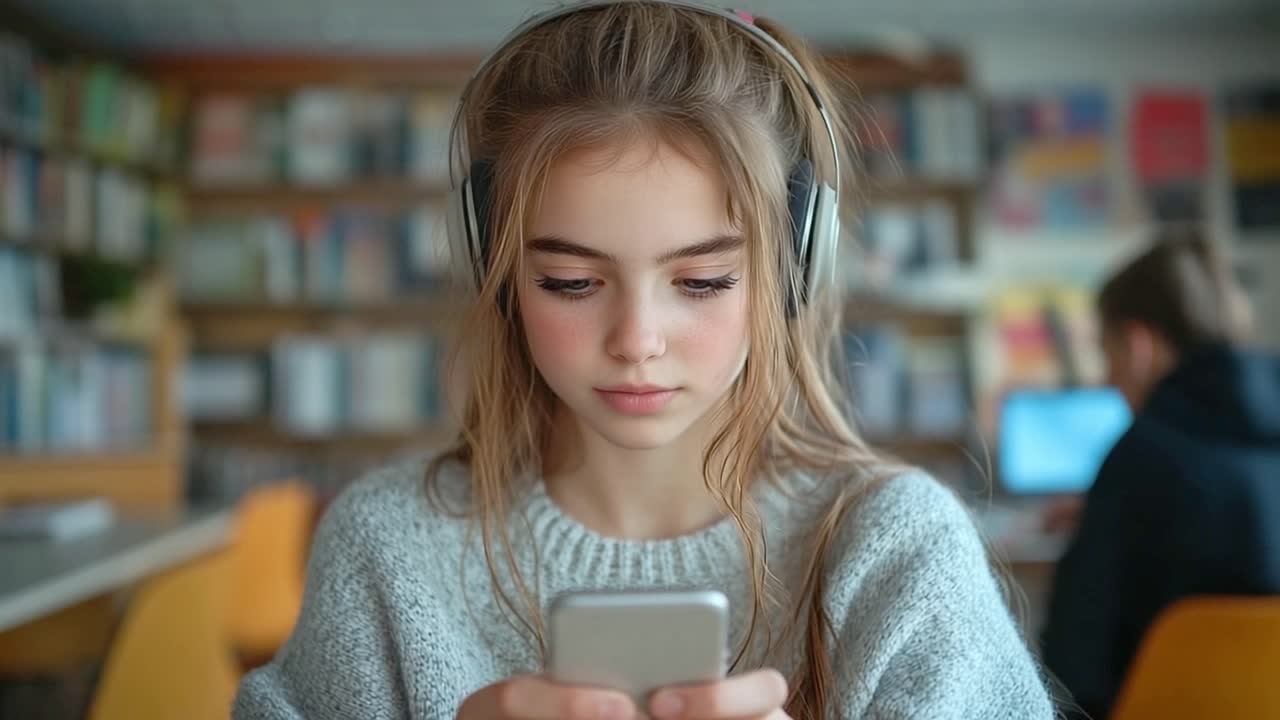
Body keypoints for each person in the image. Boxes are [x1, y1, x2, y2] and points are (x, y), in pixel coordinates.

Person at [233, 3, 1052, 718]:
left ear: (792, 270)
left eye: (701, 281)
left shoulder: (897, 553)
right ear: (498, 269)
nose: (637, 339)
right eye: (571, 281)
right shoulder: (386, 548)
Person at [1041, 229, 1280, 719]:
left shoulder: (1138, 460)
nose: (1107, 381)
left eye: (1107, 356)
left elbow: (1068, 671)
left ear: (1138, 344)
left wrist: (1107, 518)